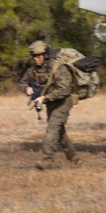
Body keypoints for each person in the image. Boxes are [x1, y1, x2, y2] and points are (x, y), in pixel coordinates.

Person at [17, 40, 83, 170]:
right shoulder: (34, 70)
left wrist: (45, 97)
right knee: (59, 133)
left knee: (53, 128)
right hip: (50, 103)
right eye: (34, 56)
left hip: (63, 102)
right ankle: (75, 158)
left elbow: (64, 90)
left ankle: (47, 159)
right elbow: (22, 82)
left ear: (45, 55)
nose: (36, 59)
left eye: (38, 56)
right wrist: (27, 88)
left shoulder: (59, 67)